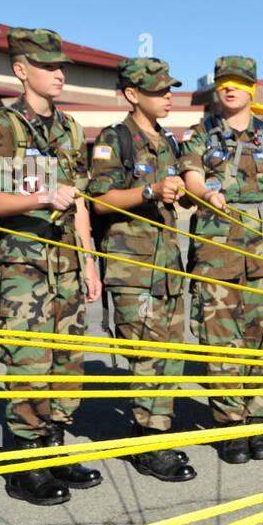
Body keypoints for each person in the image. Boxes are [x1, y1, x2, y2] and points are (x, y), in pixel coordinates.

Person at [0, 28, 102, 506]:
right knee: (29, 360)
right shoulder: (3, 128)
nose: (58, 73)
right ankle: (25, 464)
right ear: (20, 70)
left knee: (66, 363)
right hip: (25, 268)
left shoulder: (69, 128)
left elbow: (82, 204)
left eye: (61, 66)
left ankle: (55, 448)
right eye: (48, 66)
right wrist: (43, 196)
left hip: (69, 263)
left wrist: (90, 264)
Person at [179, 56, 263, 463]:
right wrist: (205, 194)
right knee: (220, 338)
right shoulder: (199, 135)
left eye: (238, 82)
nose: (229, 87)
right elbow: (191, 176)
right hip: (217, 251)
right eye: (223, 81)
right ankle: (229, 423)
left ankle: (257, 420)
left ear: (251, 89)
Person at [86, 57, 196, 483]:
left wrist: (181, 195)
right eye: (158, 90)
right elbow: (99, 200)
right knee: (147, 357)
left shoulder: (167, 140)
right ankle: (148, 442)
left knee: (170, 356)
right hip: (133, 269)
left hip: (168, 266)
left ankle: (157, 431)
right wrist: (149, 190)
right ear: (133, 95)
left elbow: (171, 197)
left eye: (170, 88)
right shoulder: (114, 139)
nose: (168, 95)